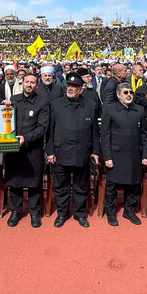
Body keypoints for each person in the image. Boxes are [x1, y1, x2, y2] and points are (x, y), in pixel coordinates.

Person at [46, 71, 100, 228]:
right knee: (61, 186)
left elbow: (95, 131)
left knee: (81, 185)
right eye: (69, 85)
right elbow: (49, 130)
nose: (70, 88)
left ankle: (80, 214)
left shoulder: (91, 105)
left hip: (82, 152)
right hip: (60, 152)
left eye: (74, 86)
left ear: (81, 89)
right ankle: (62, 214)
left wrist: (95, 152)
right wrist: (50, 152)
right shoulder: (55, 104)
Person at [2, 73, 50, 228]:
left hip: (32, 148)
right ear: (22, 83)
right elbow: (4, 120)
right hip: (13, 148)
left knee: (34, 182)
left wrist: (26, 138)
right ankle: (15, 211)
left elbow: (42, 127)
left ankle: (34, 212)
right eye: (27, 82)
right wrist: (2, 108)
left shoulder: (43, 102)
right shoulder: (14, 100)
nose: (29, 85)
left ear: (37, 85)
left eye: (32, 82)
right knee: (15, 181)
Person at [100, 83, 147, 226]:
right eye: (126, 92)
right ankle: (110, 213)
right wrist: (107, 157)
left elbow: (145, 135)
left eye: (131, 92)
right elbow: (105, 136)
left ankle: (129, 211)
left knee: (134, 185)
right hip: (116, 155)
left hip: (135, 155)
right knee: (112, 187)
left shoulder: (139, 110)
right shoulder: (110, 110)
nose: (129, 95)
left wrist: (146, 155)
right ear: (118, 95)